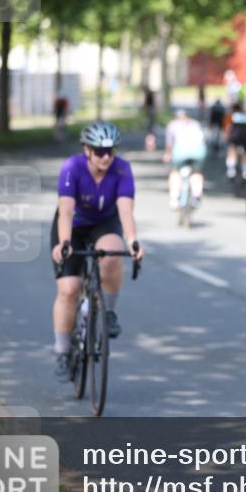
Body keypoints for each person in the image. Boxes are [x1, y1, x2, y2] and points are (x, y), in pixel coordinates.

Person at [50, 122, 144, 378]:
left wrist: (133, 240)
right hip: (73, 227)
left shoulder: (122, 169)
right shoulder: (72, 168)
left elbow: (125, 211)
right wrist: (64, 242)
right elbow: (66, 211)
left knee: (113, 253)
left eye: (110, 151)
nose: (106, 157)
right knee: (69, 289)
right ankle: (62, 349)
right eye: (100, 151)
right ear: (87, 150)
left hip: (104, 223)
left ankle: (108, 312)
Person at [163, 109, 207, 209]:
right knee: (196, 172)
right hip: (198, 151)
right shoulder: (195, 124)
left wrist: (167, 154)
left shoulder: (172, 125)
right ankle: (196, 195)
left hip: (180, 151)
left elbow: (169, 144)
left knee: (175, 172)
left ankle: (174, 198)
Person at [226, 100, 246, 182]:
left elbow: (228, 127)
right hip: (245, 137)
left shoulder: (232, 116)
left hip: (235, 136)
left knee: (232, 151)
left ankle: (231, 170)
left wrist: (227, 136)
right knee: (245, 154)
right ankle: (245, 172)